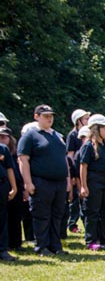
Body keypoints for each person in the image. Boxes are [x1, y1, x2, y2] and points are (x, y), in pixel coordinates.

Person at [17, 105, 72, 256]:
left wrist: (67, 180)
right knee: (42, 215)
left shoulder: (56, 136)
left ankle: (55, 246)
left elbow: (64, 159)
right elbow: (23, 159)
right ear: (36, 117)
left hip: (59, 182)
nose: (49, 118)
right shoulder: (30, 136)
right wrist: (28, 183)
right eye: (45, 116)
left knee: (57, 215)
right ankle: (42, 246)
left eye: (51, 115)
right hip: (41, 181)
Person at [79, 115, 105, 250]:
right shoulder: (88, 146)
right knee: (93, 211)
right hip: (94, 181)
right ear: (97, 128)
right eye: (104, 128)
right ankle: (91, 240)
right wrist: (84, 186)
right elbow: (83, 166)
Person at [66, 109, 90, 234]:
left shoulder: (89, 133)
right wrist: (73, 174)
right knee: (75, 200)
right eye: (85, 118)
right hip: (76, 168)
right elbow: (70, 155)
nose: (88, 120)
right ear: (78, 120)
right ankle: (72, 223)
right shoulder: (73, 135)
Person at [0, 131, 18, 261]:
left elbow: (9, 169)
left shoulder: (3, 148)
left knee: (2, 218)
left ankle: (2, 250)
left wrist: (14, 187)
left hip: (2, 185)